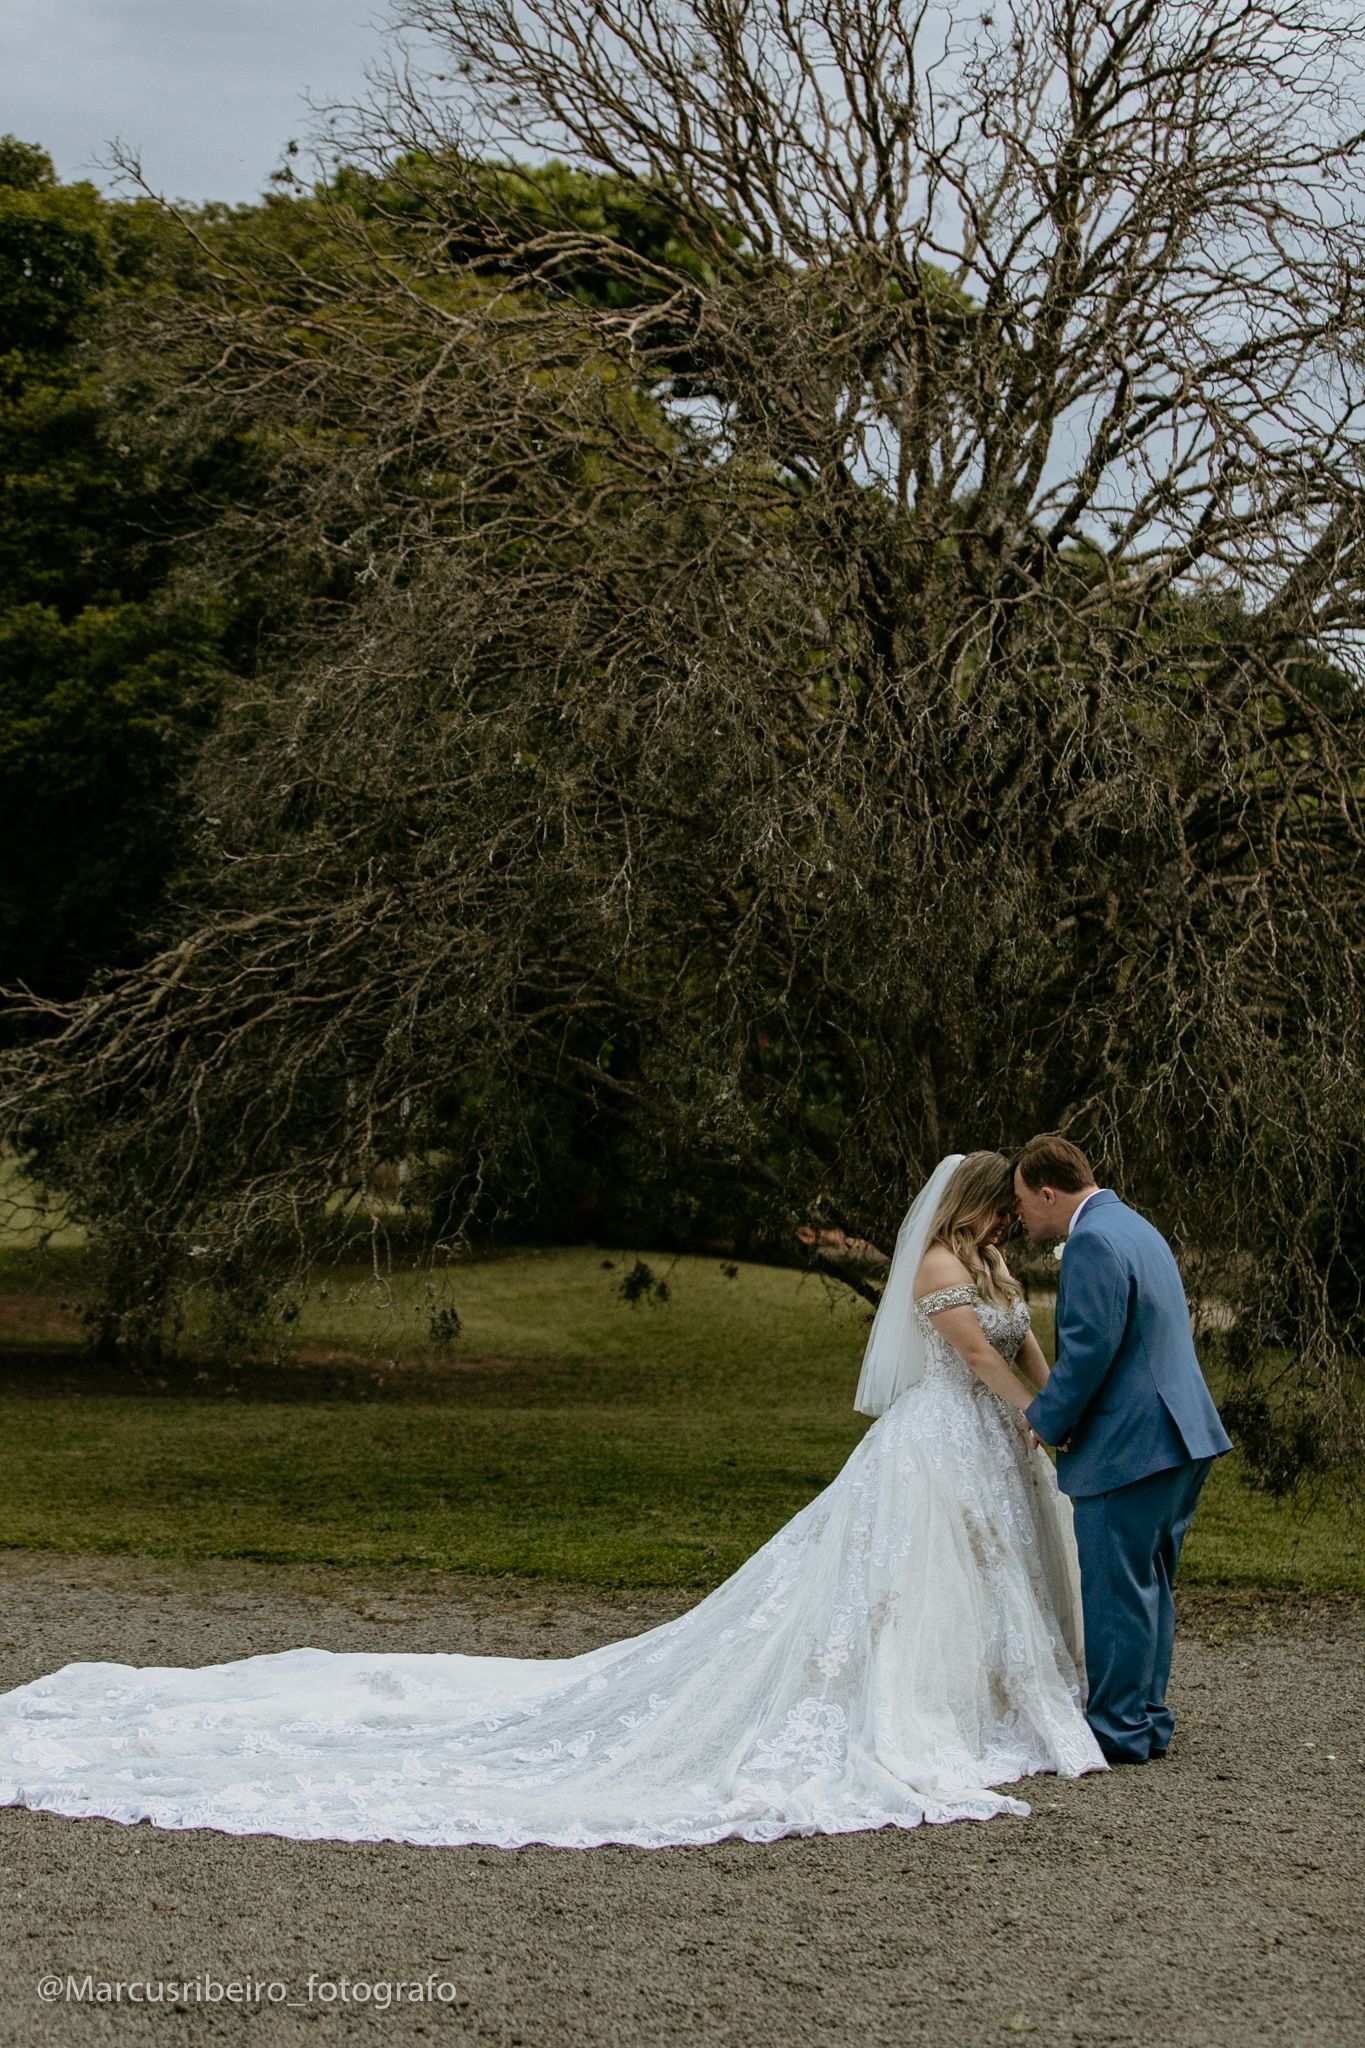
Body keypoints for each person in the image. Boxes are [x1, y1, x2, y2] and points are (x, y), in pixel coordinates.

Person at [0, 1152, 1104, 1851]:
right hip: (942, 1444)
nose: (1009, 1234)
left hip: (987, 1448)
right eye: (999, 1216)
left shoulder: (994, 1267)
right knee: (900, 1582)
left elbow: (1025, 1349)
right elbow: (975, 1361)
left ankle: (997, 1698)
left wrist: (1052, 1411)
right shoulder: (936, 1272)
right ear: (973, 1206)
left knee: (975, 1577)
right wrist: (1035, 1419)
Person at [1011, 1133, 1233, 1766]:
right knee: (1150, 1582)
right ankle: (1146, 1719)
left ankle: (1115, 1729)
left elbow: (1087, 1351)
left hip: (1131, 1444)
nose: (1022, 1216)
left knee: (1115, 1586)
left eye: (1024, 1202)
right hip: (1181, 1436)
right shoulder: (1135, 1226)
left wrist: (1047, 1419)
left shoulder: (1090, 1242)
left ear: (1049, 1192)